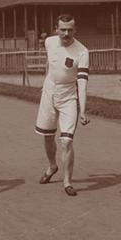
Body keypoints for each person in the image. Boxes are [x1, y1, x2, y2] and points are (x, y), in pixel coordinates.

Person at [36, 14, 90, 196]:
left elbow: (82, 83)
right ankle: (52, 166)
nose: (66, 33)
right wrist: (46, 83)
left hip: (69, 97)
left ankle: (67, 181)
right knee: (47, 136)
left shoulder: (82, 52)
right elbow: (49, 64)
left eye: (70, 30)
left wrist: (83, 110)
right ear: (56, 29)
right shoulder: (49, 42)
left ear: (75, 30)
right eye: (63, 29)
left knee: (66, 141)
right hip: (49, 93)